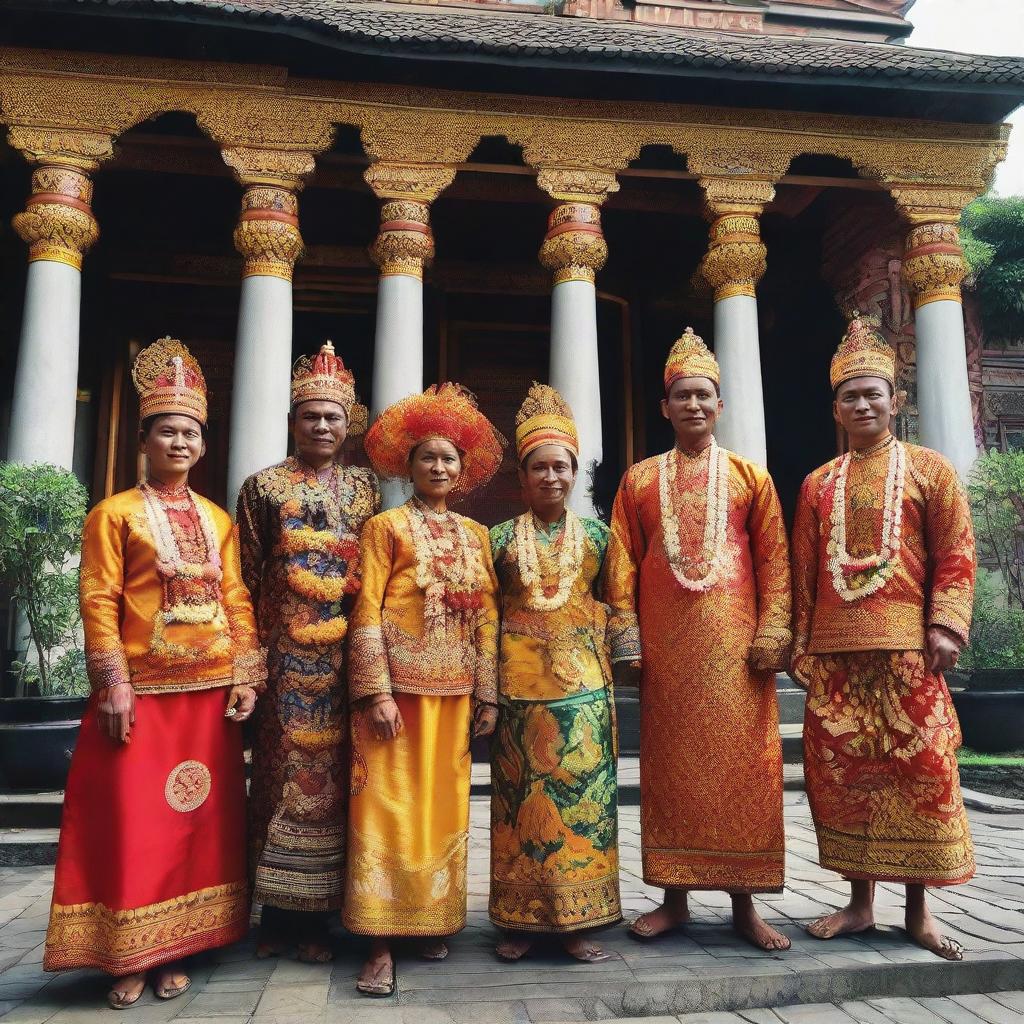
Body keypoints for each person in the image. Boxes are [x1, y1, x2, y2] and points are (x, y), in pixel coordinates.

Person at [44, 337, 266, 1008]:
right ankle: (128, 954)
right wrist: (111, 682)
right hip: (141, 694)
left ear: (202, 445)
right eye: (168, 430)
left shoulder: (218, 520)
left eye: (190, 433)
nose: (179, 442)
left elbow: (235, 598)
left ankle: (184, 946)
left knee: (197, 822)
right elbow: (98, 601)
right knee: (134, 822)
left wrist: (247, 675)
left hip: (209, 697)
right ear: (145, 439)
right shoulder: (112, 515)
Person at [791, 314, 976, 961]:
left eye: (873, 392)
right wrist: (800, 647)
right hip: (838, 659)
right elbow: (804, 574)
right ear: (836, 408)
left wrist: (945, 624)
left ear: (894, 400)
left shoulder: (931, 471)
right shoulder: (817, 485)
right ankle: (860, 904)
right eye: (850, 395)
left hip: (907, 656)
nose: (862, 403)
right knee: (848, 779)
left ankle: (920, 911)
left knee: (922, 775)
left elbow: (955, 552)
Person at [605, 327, 793, 951]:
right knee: (670, 772)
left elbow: (773, 559)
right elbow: (623, 563)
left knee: (745, 771)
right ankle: (674, 899)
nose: (692, 406)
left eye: (703, 397)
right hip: (669, 652)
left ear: (720, 406)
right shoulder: (637, 481)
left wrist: (773, 632)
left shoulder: (749, 477)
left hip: (737, 654)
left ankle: (745, 906)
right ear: (665, 407)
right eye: (681, 396)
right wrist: (627, 639)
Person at [344, 383, 504, 996]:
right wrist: (375, 692)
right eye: (428, 457)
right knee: (383, 808)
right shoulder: (385, 528)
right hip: (396, 696)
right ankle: (378, 941)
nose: (439, 467)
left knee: (442, 808)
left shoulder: (476, 535)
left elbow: (487, 618)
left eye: (449, 459)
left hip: (456, 694)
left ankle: (428, 919)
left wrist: (487, 695)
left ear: (463, 470)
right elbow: (366, 611)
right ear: (407, 466)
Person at [236, 341, 380, 962]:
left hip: (345, 666)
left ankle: (323, 916)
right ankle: (273, 916)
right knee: (276, 782)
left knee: (340, 788)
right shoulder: (262, 487)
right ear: (293, 422)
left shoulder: (366, 488)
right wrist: (250, 664)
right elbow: (240, 577)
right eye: (310, 416)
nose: (322, 426)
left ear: (350, 425)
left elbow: (375, 578)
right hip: (283, 664)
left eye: (333, 417)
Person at [488, 384, 622, 963]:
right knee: (517, 810)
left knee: (582, 807)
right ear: (523, 477)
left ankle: (577, 920)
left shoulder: (599, 538)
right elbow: (485, 614)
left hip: (583, 695)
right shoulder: (496, 539)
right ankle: (520, 920)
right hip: (518, 693)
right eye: (539, 468)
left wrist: (631, 662)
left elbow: (619, 604)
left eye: (561, 467)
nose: (551, 477)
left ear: (575, 474)